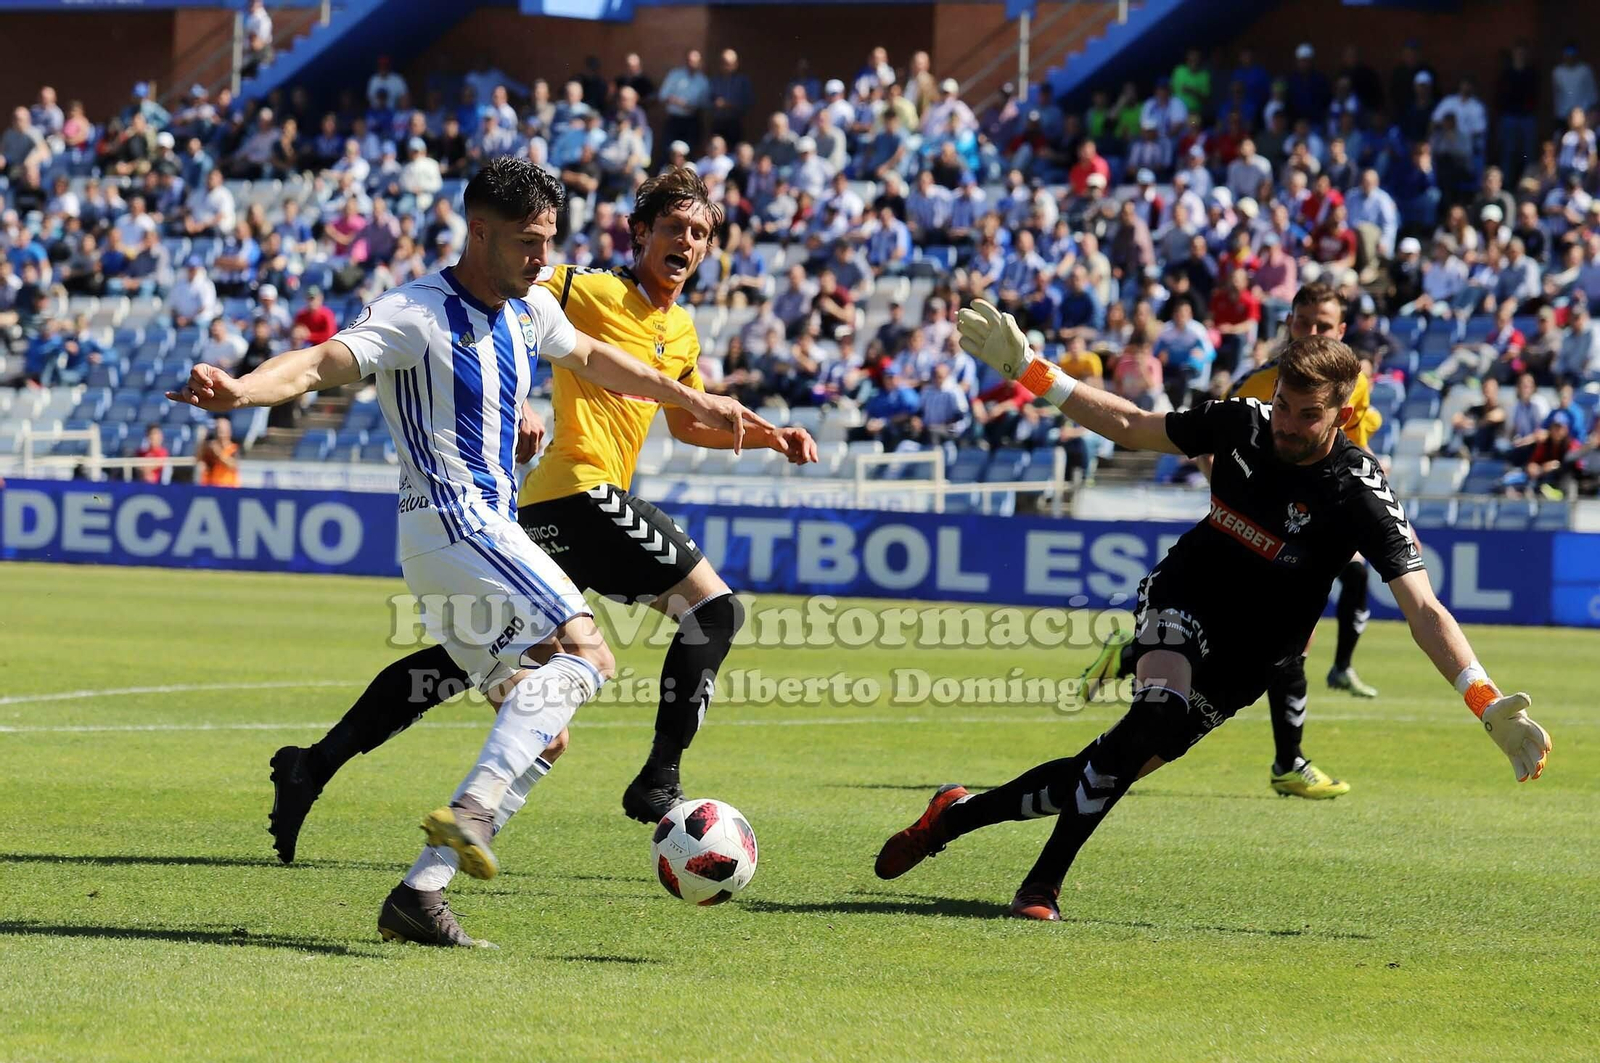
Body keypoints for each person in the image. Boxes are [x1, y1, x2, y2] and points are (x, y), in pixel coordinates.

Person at [169, 157, 762, 947]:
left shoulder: (524, 314)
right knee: (590, 653)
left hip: (460, 537)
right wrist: (242, 390)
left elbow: (596, 360)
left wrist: (697, 398)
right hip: (460, 521)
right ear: (478, 232)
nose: (540, 259)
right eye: (527, 242)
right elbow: (320, 362)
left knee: (545, 728)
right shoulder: (415, 312)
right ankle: (474, 808)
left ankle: (421, 891)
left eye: (549, 240)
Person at [874, 300, 1552, 920]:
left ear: (1342, 416)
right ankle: (1040, 887)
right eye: (1284, 403)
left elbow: (1424, 607)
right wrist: (1030, 369)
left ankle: (956, 814)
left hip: (1250, 657)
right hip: (1185, 592)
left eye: (1306, 415)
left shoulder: (1360, 495)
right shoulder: (1245, 422)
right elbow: (1132, 425)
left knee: (1101, 769)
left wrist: (1484, 699)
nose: (1286, 423)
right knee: (1152, 717)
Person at [262, 167, 817, 868]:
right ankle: (658, 780)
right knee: (715, 610)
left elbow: (688, 420)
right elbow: (500, 310)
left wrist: (770, 435)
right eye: (673, 228)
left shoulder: (680, 330)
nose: (687, 241)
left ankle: (315, 765)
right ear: (640, 234)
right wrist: (513, 396)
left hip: (553, 511)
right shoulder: (586, 286)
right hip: (577, 494)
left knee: (471, 664)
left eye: (700, 233)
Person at [197, 416, 241, 487]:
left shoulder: (234, 448)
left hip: (229, 487)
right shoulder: (210, 448)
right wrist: (202, 441)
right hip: (212, 487)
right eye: (217, 430)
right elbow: (199, 460)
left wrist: (218, 453)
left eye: (222, 430)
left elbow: (233, 465)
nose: (219, 433)